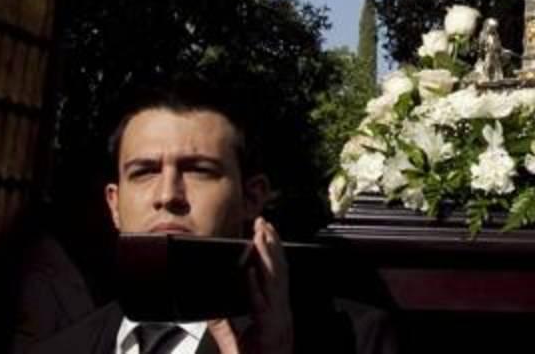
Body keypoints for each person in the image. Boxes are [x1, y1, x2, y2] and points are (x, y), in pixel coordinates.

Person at [32, 82, 395, 354]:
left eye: (199, 171)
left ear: (252, 197)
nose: (167, 195)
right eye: (144, 172)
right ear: (113, 204)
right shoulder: (57, 349)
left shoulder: (353, 340)